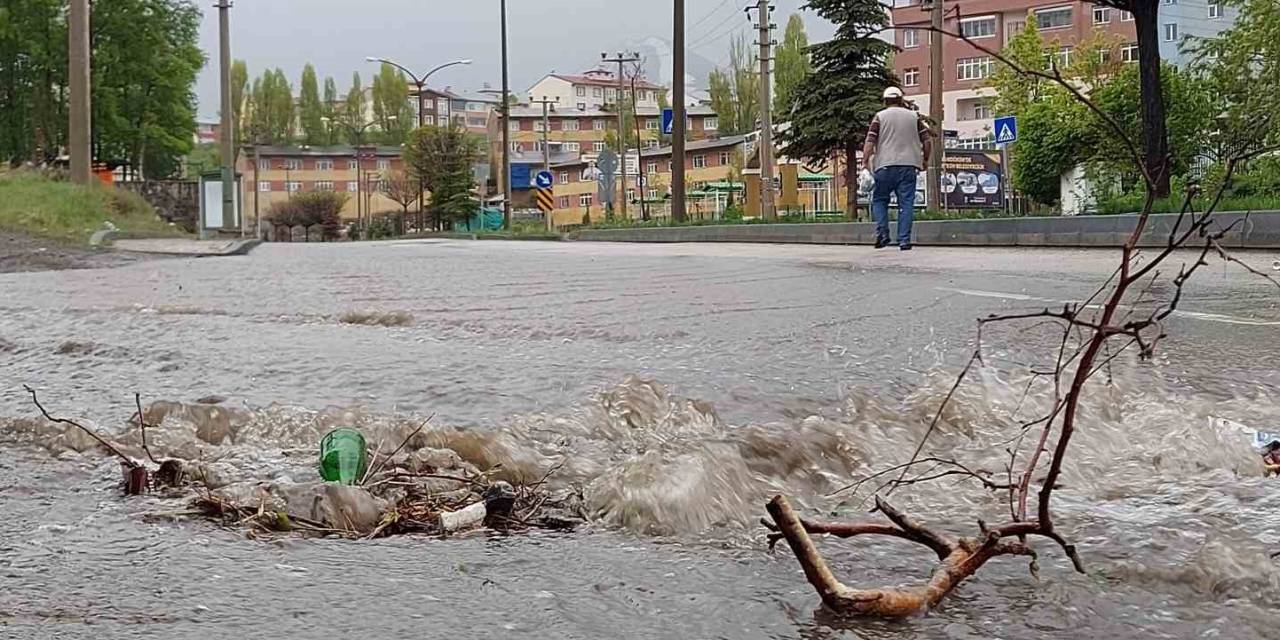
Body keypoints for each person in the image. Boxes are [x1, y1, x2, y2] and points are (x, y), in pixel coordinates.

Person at [862, 86, 933, 250]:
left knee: (880, 200)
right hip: (909, 166)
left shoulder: (879, 117)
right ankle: (904, 240)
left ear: (885, 101)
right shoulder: (914, 117)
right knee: (906, 203)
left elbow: (870, 141)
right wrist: (925, 160)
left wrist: (865, 161)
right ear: (901, 100)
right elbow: (927, 140)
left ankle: (883, 233)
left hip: (884, 166)